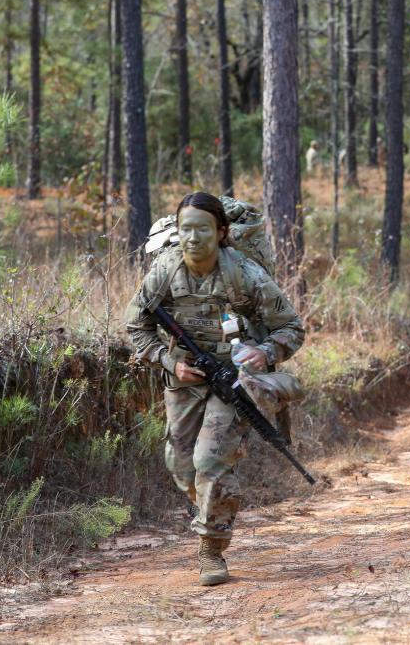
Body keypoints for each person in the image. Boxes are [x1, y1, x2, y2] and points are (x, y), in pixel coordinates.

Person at [124, 192, 305, 586]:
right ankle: (215, 502)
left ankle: (211, 550)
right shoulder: (165, 271)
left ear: (221, 232)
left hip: (234, 380)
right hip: (185, 381)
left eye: (203, 229)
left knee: (210, 462)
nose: (193, 238)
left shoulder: (244, 273)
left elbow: (292, 327)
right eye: (186, 229)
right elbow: (135, 326)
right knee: (181, 465)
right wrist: (170, 362)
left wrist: (264, 351)